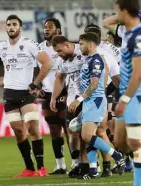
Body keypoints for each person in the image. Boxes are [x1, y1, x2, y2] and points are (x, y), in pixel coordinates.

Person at [0, 14, 53, 177]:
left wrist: (35, 83)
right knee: (18, 132)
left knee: (33, 128)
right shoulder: (1, 47)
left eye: (14, 24)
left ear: (20, 27)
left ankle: (41, 167)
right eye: (8, 25)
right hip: (9, 94)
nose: (11, 27)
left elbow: (48, 63)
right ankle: (29, 169)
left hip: (26, 94)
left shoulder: (29, 44)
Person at [68, 32, 125, 179]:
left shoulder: (97, 61)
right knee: (88, 136)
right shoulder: (89, 60)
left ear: (91, 44)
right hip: (89, 102)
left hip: (95, 101)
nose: (79, 46)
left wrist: (78, 100)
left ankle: (118, 157)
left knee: (87, 135)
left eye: (81, 43)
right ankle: (93, 170)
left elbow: (94, 85)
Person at [114, 0, 141, 186]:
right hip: (127, 92)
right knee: (121, 143)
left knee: (136, 143)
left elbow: (138, 73)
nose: (115, 14)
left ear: (124, 10)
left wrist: (124, 99)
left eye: (117, 10)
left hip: (138, 93)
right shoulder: (128, 33)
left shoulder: (140, 35)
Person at [50, 35, 89, 177]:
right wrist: (53, 97)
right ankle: (77, 162)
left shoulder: (84, 50)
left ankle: (96, 163)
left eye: (60, 51)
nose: (58, 55)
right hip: (71, 102)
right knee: (72, 131)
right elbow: (59, 78)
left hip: (87, 99)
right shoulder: (62, 61)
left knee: (89, 134)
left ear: (68, 45)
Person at [36, 18, 68, 174]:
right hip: (47, 93)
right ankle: (60, 164)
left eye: (50, 27)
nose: (46, 29)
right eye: (45, 27)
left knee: (69, 129)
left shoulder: (65, 46)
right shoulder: (39, 49)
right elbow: (37, 70)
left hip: (65, 91)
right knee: (54, 129)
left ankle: (77, 162)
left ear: (58, 30)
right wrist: (38, 86)